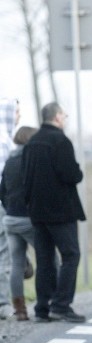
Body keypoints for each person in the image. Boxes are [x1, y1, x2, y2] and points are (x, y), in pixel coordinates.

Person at [22, 102, 86, 323]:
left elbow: (25, 179)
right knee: (71, 255)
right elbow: (72, 175)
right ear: (58, 117)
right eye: (64, 115)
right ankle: (61, 305)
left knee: (45, 259)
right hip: (61, 212)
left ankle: (42, 308)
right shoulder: (60, 140)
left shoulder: (31, 143)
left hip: (37, 213)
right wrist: (77, 172)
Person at [0, 126, 38, 321]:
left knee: (16, 264)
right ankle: (50, 301)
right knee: (50, 259)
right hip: (27, 219)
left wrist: (10, 210)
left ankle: (20, 309)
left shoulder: (10, 161)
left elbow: (2, 190)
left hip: (10, 219)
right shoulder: (30, 161)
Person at [0, 98, 19, 320]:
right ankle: (3, 302)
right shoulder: (4, 140)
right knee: (5, 253)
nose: (18, 116)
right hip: (3, 203)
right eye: (16, 111)